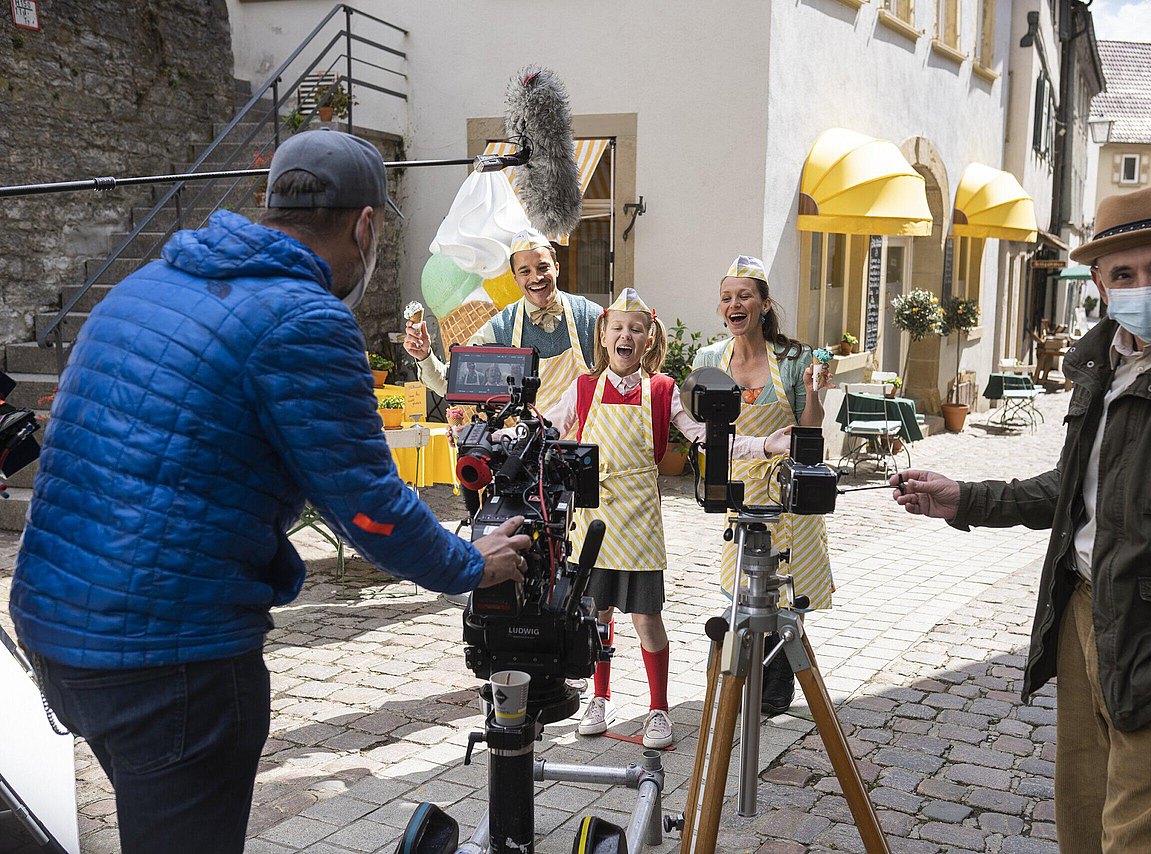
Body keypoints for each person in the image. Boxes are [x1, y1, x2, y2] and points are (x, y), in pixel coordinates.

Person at [8, 129, 532, 854]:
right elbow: (366, 506)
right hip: (170, 658)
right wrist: (473, 561)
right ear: (366, 224)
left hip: (58, 627)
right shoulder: (303, 319)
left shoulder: (147, 283)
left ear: (270, 206)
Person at [890, 185, 1151, 853]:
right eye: (1123, 274)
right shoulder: (1101, 363)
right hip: (1086, 621)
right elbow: (1077, 488)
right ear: (1100, 283)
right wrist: (966, 497)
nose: (1142, 287)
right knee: (1084, 829)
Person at [533, 288, 793, 748]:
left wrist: (766, 444)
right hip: (591, 519)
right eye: (617, 327)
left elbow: (707, 440)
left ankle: (658, 708)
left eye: (635, 328)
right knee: (597, 614)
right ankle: (601, 696)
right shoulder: (584, 388)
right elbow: (544, 428)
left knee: (647, 619)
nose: (624, 335)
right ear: (603, 334)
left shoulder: (663, 390)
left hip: (640, 521)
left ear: (649, 337)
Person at [691, 255, 832, 717]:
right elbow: (700, 429)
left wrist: (814, 393)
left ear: (764, 305)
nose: (734, 304)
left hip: (789, 490)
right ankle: (745, 672)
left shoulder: (794, 359)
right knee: (743, 584)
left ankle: (780, 677)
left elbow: (809, 432)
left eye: (744, 296)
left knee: (791, 586)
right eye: (727, 297)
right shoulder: (709, 359)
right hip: (739, 485)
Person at [404, 229, 602, 408]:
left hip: (585, 441)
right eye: (525, 271)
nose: (536, 278)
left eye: (543, 267)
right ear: (515, 278)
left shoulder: (590, 316)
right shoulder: (502, 327)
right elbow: (453, 383)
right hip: (530, 442)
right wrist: (425, 356)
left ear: (556, 268)